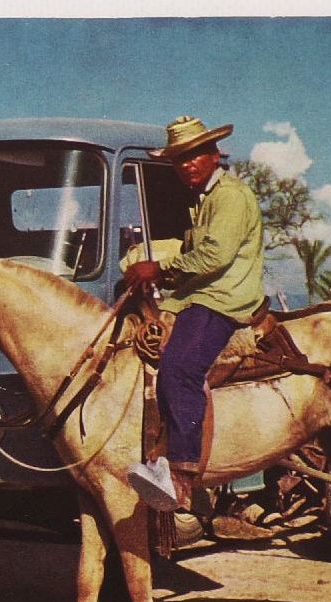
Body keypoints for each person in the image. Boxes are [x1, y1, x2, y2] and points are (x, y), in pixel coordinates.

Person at [122, 116, 269, 543]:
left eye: (193, 155)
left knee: (178, 370)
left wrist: (158, 267)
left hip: (223, 299)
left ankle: (181, 477)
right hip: (193, 296)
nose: (186, 164)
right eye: (179, 159)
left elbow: (214, 259)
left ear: (213, 154)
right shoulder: (202, 200)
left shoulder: (231, 198)